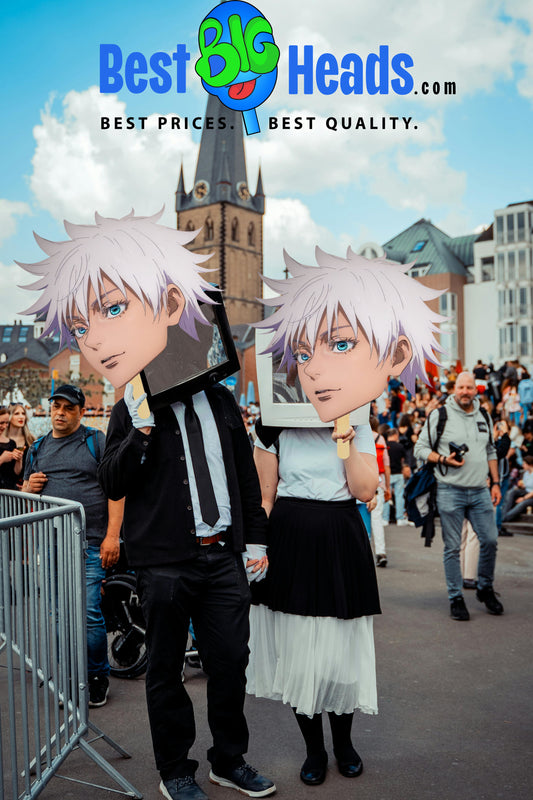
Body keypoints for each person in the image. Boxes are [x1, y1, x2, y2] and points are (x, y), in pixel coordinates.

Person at [21, 209, 275, 800]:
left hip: (224, 558)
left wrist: (256, 538)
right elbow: (112, 480)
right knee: (165, 672)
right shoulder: (129, 407)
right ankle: (176, 770)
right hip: (163, 562)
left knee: (230, 665)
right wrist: (138, 427)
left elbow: (241, 476)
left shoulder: (218, 401)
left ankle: (228, 759)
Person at [248, 246, 443, 786]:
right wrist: (256, 546)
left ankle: (344, 743)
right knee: (298, 656)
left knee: (337, 654)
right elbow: (265, 495)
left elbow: (365, 491)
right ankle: (313, 751)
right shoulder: (271, 424)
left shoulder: (358, 413)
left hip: (339, 532)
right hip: (289, 535)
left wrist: (344, 436)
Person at [21, 384, 122, 706]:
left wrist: (112, 536)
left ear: (81, 411)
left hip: (90, 542)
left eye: (68, 408)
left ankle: (96, 675)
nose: (60, 413)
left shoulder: (96, 441)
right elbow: (25, 498)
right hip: (51, 542)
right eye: (56, 407)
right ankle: (72, 677)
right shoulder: (37, 448)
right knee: (58, 614)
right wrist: (28, 487)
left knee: (89, 613)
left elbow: (116, 491)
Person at [414, 371, 503, 621]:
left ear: (476, 390)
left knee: (490, 540)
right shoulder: (439, 415)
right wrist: (443, 459)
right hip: (449, 489)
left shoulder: (484, 414)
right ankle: (456, 597)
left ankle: (485, 588)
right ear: (455, 389)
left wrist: (496, 483)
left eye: (470, 388)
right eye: (461, 387)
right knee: (452, 547)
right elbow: (420, 449)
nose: (465, 391)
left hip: (480, 490)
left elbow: (490, 450)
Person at [385, 427, 412, 526]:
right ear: (395, 435)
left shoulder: (385, 446)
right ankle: (400, 518)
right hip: (398, 473)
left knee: (386, 496)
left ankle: (385, 518)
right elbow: (404, 460)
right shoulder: (400, 446)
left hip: (387, 474)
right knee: (399, 496)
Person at [7, 403, 35, 487]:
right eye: (16, 413)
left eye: (23, 413)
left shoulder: (31, 440)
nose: (21, 417)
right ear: (9, 416)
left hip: (26, 490)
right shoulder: (3, 440)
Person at [501, 455, 533, 524]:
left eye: (524, 463)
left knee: (523, 503)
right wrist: (520, 485)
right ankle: (503, 514)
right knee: (511, 492)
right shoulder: (526, 473)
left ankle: (504, 518)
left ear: (529, 464)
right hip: (526, 491)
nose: (522, 465)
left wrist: (523, 498)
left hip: (531, 495)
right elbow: (526, 486)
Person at [0, 405, 24, 489]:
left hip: (9, 492)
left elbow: (15, 473)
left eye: (6, 423)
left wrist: (19, 459)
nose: (4, 426)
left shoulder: (11, 443)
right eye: (1, 423)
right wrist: (2, 459)